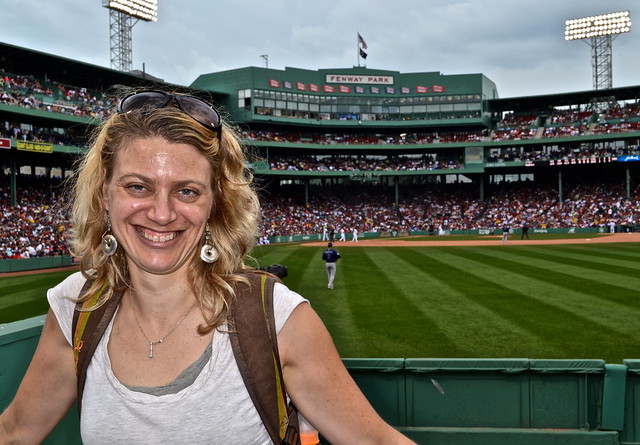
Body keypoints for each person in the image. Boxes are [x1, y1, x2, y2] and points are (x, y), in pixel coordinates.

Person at [0, 89, 414, 445]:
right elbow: (16, 431)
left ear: (214, 204)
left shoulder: (278, 318)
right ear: (105, 193)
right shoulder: (76, 307)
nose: (161, 214)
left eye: (187, 191)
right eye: (138, 186)